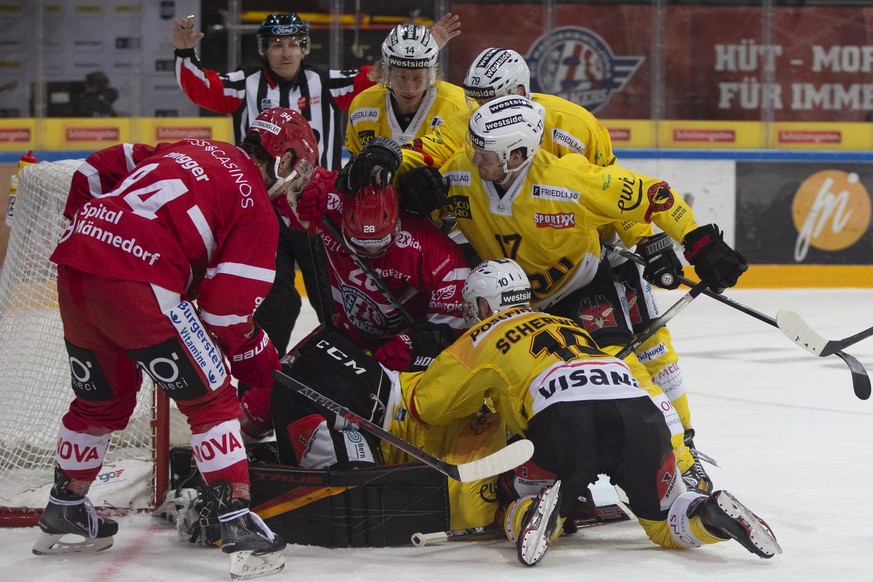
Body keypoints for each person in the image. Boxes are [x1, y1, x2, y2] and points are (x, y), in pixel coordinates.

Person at [32, 107, 321, 580]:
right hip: (139, 280)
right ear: (283, 156)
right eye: (299, 168)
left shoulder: (188, 147)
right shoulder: (257, 210)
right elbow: (226, 315)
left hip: (77, 263)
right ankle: (239, 524)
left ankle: (65, 506)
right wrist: (260, 361)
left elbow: (98, 165)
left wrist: (85, 226)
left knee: (100, 402)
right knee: (213, 398)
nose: (295, 183)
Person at [431, 96, 747, 487]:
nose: (474, 159)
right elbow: (428, 206)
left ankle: (682, 465)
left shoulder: (568, 179)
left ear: (516, 156)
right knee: (521, 389)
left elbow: (656, 194)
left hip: (583, 291)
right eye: (474, 148)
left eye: (486, 154)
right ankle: (542, 473)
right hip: (520, 306)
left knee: (626, 376)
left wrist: (699, 242)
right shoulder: (462, 172)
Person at [408, 258, 781, 566]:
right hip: (637, 415)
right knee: (666, 527)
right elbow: (639, 383)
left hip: (564, 424)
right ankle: (710, 514)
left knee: (516, 501)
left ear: (486, 305)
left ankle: (538, 507)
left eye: (474, 306)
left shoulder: (483, 335)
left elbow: (428, 406)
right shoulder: (571, 325)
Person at [171, 12, 461, 354]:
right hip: (263, 210)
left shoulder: (327, 82)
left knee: (333, 302)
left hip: (317, 209)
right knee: (273, 300)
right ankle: (266, 378)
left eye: (293, 44)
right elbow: (205, 90)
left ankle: (339, 367)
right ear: (264, 50)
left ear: (305, 49)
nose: (285, 52)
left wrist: (427, 48)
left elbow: (386, 74)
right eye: (277, 45)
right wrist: (184, 54)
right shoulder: (245, 83)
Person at [235, 178, 470, 440]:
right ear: (344, 220)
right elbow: (284, 182)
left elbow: (453, 318)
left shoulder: (428, 245)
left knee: (358, 407)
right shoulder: (329, 207)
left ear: (397, 224)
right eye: (360, 244)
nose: (369, 253)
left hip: (399, 356)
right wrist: (294, 197)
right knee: (263, 400)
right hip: (344, 334)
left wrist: (410, 345)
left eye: (379, 243)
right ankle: (233, 449)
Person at [343, 24, 468, 157]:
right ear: (387, 73)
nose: (409, 89)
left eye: (418, 78)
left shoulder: (459, 105)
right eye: (401, 77)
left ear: (431, 74)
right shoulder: (362, 106)